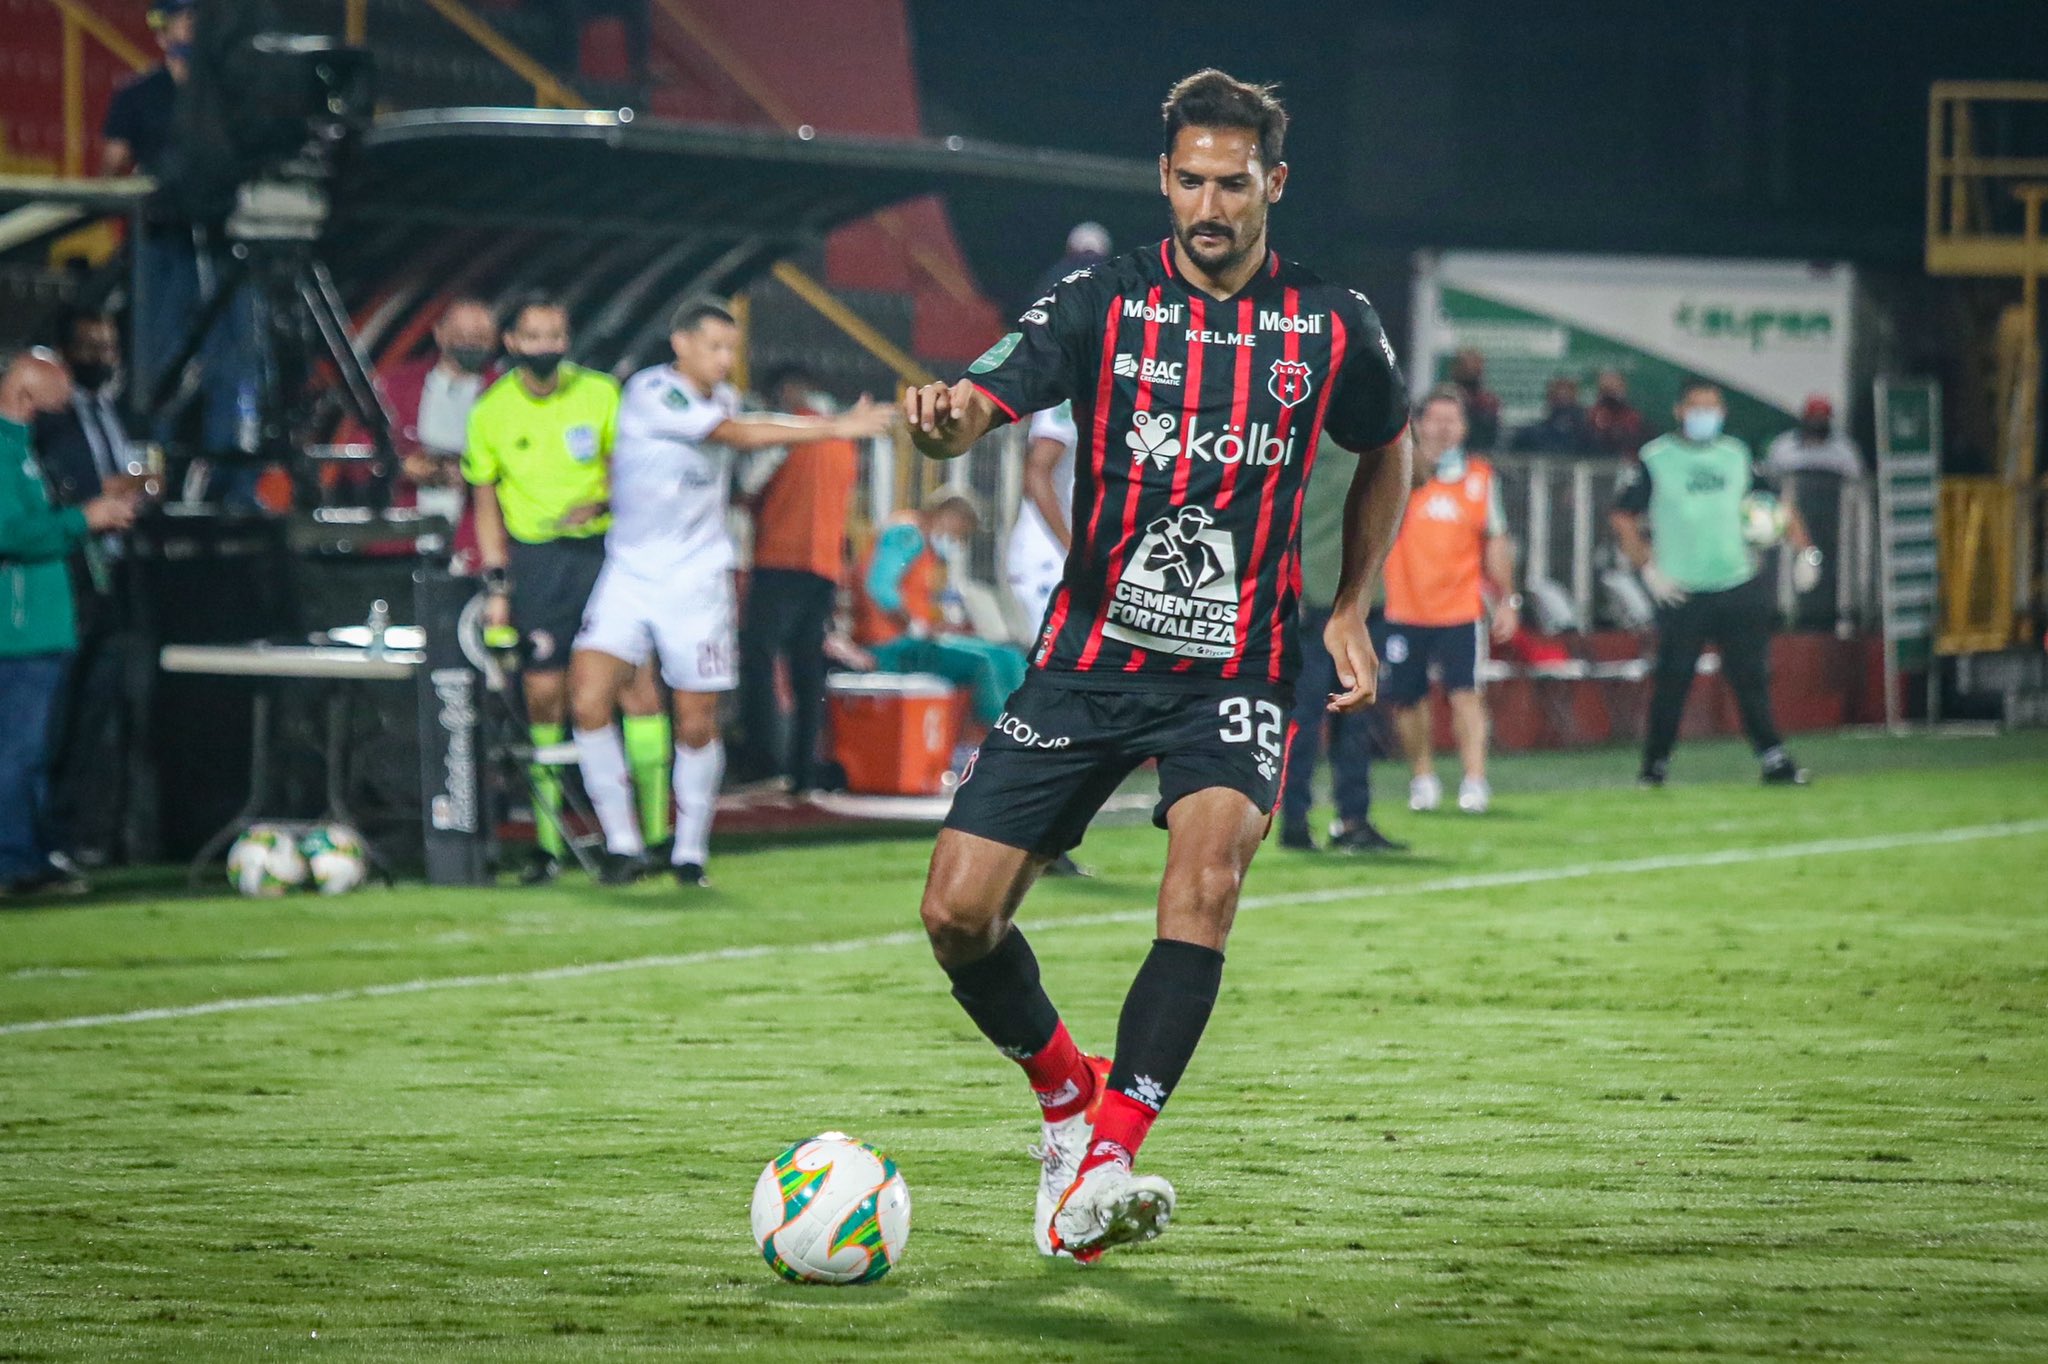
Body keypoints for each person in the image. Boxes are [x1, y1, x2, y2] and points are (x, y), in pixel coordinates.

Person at [900, 69, 1411, 1262]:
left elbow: (1383, 444)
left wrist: (1349, 601)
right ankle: (1069, 1099)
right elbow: (987, 391)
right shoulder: (1100, 300)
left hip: (1235, 667)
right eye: (1189, 180)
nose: (1208, 203)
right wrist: (946, 421)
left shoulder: (1332, 324)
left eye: (1232, 182)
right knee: (956, 914)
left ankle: (1110, 1156)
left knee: (1205, 883)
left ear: (1271, 184)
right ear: (1163, 180)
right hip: (1084, 662)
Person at [570, 302, 892, 888]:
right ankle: (621, 845)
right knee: (588, 700)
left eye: (730, 350)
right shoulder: (652, 391)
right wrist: (831, 427)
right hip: (630, 574)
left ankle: (689, 852)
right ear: (681, 344)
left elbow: (676, 467)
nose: (725, 361)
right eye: (715, 347)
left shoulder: (723, 399)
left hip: (695, 582)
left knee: (695, 720)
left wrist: (610, 498)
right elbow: (732, 437)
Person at [462, 294, 631, 884]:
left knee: (617, 692)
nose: (544, 346)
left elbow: (629, 466)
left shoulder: (600, 393)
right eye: (532, 336)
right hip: (535, 563)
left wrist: (605, 496)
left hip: (602, 557)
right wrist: (498, 580)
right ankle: (547, 845)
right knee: (543, 698)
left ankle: (637, 842)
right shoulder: (490, 411)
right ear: (511, 342)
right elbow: (484, 499)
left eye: (554, 334)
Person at [1612, 379, 1821, 788]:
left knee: (1751, 678)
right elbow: (1622, 517)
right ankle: (1655, 765)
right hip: (1682, 588)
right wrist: (1649, 568)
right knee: (1673, 680)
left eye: (1712, 408)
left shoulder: (1736, 455)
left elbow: (1779, 507)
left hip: (1737, 582)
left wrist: (1806, 552)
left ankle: (1774, 759)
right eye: (1696, 407)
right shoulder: (1656, 459)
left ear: (1722, 414)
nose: (1704, 415)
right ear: (1679, 411)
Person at [104, 0, 259, 489]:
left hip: (223, 241)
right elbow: (113, 165)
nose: (189, 27)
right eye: (181, 18)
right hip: (162, 244)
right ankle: (155, 475)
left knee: (232, 358)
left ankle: (230, 477)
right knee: (159, 359)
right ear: (162, 28)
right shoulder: (140, 95)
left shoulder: (229, 97)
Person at [0, 351, 136, 897]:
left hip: (46, 625)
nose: (65, 410)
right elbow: (11, 531)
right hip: (19, 629)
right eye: (57, 399)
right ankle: (13, 862)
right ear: (25, 394)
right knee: (18, 751)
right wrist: (87, 518)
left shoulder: (23, 448)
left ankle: (33, 852)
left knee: (36, 751)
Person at [32, 308, 148, 868]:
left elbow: (114, 480)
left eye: (107, 347)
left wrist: (132, 490)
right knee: (50, 712)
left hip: (114, 575)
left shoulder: (113, 409)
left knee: (95, 711)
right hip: (66, 575)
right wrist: (87, 505)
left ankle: (72, 834)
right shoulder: (44, 420)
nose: (100, 358)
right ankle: (33, 836)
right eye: (88, 347)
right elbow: (45, 498)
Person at [1382, 387, 1519, 815]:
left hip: (1460, 608)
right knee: (1407, 698)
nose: (1443, 428)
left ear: (1464, 427)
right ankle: (1422, 777)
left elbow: (1495, 540)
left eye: (1452, 420)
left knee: (1465, 693)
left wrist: (1507, 599)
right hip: (1402, 605)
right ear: (1419, 424)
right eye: (1435, 419)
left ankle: (1474, 779)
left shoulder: (1480, 477)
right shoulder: (1397, 473)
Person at [735, 363, 866, 796]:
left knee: (757, 655)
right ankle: (804, 769)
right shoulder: (843, 441)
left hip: (780, 557)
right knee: (808, 668)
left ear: (789, 391)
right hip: (824, 565)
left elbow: (749, 488)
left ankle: (763, 759)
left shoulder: (790, 433)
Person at [1277, 434, 1404, 853]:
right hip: (1317, 600)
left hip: (1358, 601)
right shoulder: (1316, 432)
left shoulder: (1380, 434)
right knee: (1309, 718)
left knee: (1352, 720)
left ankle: (1349, 819)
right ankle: (1297, 819)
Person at [337, 298, 501, 566]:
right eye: (462, 335)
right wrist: (402, 466)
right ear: (440, 333)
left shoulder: (505, 392)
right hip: (402, 538)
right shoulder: (395, 384)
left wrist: (474, 474)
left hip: (474, 540)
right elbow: (359, 451)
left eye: (481, 337)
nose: (471, 343)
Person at [854, 491, 1026, 726]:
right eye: (960, 532)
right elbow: (879, 586)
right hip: (890, 646)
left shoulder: (923, 547)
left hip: (911, 642)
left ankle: (1024, 728)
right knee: (983, 663)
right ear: (950, 516)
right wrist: (914, 627)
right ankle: (999, 736)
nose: (958, 540)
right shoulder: (907, 534)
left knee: (1009, 656)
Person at [1005, 400, 1077, 635]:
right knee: (1054, 657)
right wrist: (1070, 546)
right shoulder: (1071, 393)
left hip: (1074, 555)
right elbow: (1037, 470)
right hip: (1053, 555)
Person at [1766, 395, 1862, 480]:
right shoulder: (1784, 446)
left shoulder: (1844, 449)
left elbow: (1855, 480)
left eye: (1822, 418)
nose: (1817, 422)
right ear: (1805, 417)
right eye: (1814, 417)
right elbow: (1772, 476)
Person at [1511, 375, 1591, 454]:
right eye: (1558, 395)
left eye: (1566, 394)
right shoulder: (1535, 434)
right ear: (1550, 397)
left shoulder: (1585, 433)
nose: (1562, 397)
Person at [1446, 347, 1502, 452]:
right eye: (1465, 365)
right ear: (1455, 368)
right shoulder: (1443, 399)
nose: (1470, 369)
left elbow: (1491, 434)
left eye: (1475, 365)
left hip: (1480, 453)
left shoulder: (1489, 402)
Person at [1587, 368, 1648, 459]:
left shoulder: (1633, 416)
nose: (1611, 394)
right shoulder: (1591, 415)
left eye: (1615, 389)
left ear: (1623, 388)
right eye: (1607, 390)